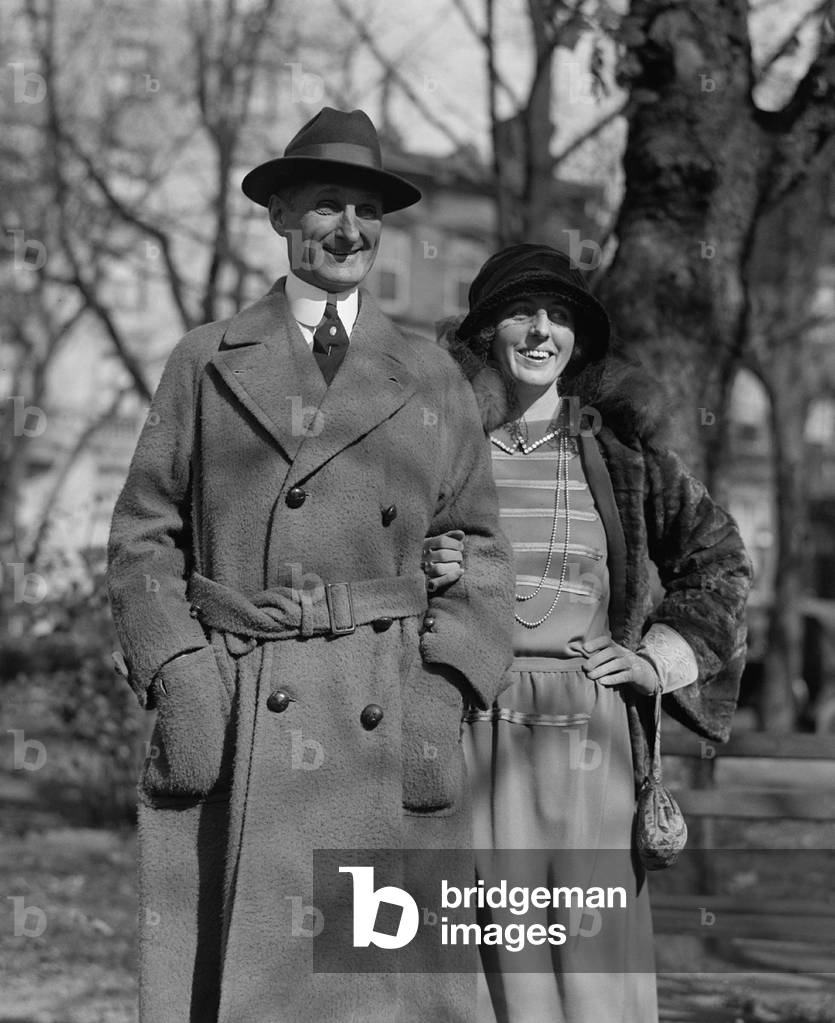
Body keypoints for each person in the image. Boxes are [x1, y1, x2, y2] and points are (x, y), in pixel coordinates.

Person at [106, 107, 515, 1023]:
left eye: (366, 212)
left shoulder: (430, 373)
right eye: (327, 205)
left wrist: (442, 689)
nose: (349, 230)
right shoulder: (204, 359)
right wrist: (179, 672)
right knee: (250, 982)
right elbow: (141, 534)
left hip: (383, 694)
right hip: (246, 698)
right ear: (282, 216)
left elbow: (482, 548)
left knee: (377, 991)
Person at [425, 243, 752, 1022]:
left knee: (588, 969)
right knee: (479, 966)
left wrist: (653, 661)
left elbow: (721, 562)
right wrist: (420, 567)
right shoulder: (436, 452)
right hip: (470, 733)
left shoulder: (617, 453)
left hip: (588, 743)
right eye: (521, 312)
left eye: (560, 316)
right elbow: (363, 567)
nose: (541, 331)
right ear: (483, 333)